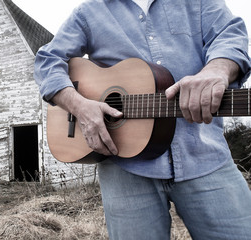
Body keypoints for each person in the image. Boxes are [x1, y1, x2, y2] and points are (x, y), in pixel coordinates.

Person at [34, 0, 251, 239]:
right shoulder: (90, 11)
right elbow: (47, 60)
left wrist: (217, 69)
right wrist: (79, 106)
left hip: (205, 156)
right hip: (124, 168)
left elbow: (229, 34)